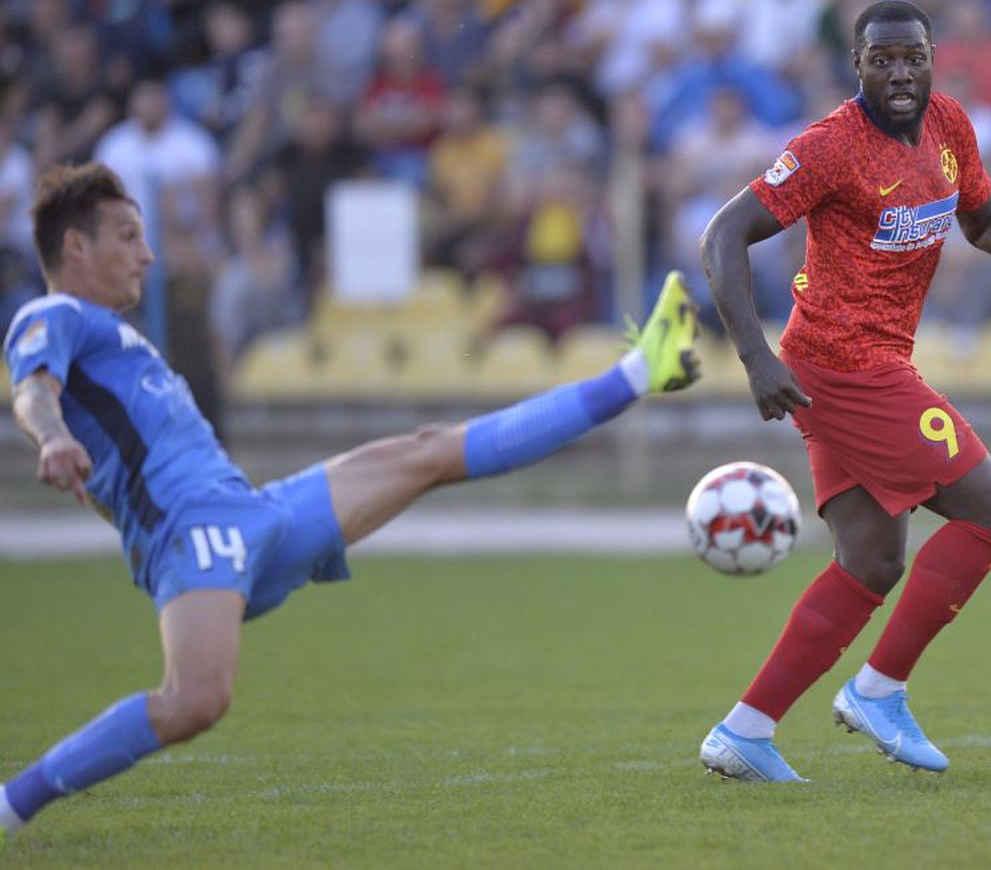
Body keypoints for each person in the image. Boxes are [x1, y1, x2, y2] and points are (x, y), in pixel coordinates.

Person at [0, 162, 700, 843]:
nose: (147, 254)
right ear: (74, 245)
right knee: (195, 701)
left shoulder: (117, 337)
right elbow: (31, 389)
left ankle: (638, 370)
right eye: (127, 235)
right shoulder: (51, 314)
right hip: (195, 534)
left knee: (426, 452)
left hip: (256, 514)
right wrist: (54, 438)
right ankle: (11, 805)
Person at [696, 0, 991, 782]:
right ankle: (879, 689)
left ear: (933, 57)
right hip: (843, 363)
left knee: (871, 561)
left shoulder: (950, 124)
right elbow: (723, 235)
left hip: (873, 359)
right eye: (882, 59)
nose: (900, 72)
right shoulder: (830, 147)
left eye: (913, 57)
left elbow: (980, 220)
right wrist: (755, 358)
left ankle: (745, 731)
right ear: (856, 65)